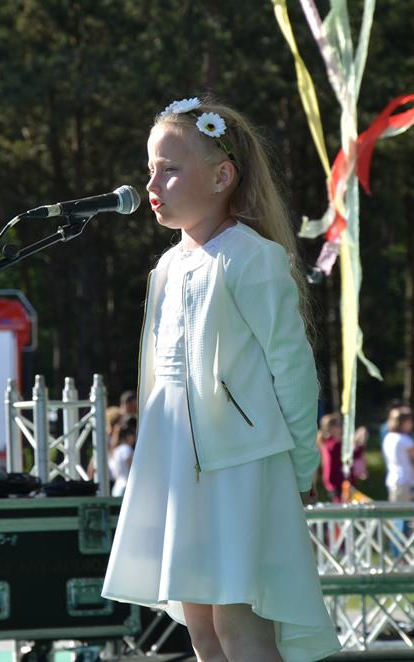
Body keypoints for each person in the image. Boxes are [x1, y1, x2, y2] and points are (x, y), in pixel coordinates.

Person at [101, 97, 340, 661]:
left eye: (170, 167)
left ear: (221, 176)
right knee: (202, 627)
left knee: (239, 623)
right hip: (178, 464)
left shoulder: (251, 259)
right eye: (150, 168)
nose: (153, 181)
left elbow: (292, 367)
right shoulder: (167, 266)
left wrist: (302, 461)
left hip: (239, 463)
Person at [382, 406, 414, 502]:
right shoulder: (405, 440)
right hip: (406, 482)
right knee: (405, 514)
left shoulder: (388, 437)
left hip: (392, 480)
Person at [317, 413, 344, 502]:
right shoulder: (333, 444)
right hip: (335, 480)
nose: (342, 427)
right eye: (339, 425)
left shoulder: (325, 442)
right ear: (331, 428)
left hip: (332, 479)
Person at [108, 416, 137, 496]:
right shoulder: (126, 449)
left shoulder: (115, 450)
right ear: (129, 436)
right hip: (126, 487)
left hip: (117, 487)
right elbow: (133, 466)